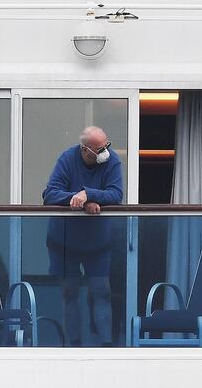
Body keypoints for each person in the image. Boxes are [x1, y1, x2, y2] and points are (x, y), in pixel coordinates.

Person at [42, 126, 124, 347]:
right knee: (70, 292)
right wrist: (78, 200)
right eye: (100, 149)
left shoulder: (112, 161)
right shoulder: (67, 159)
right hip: (64, 241)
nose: (105, 151)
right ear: (85, 150)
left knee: (102, 291)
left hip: (98, 242)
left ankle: (106, 344)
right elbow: (49, 194)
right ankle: (74, 344)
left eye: (107, 145)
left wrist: (89, 194)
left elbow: (116, 194)